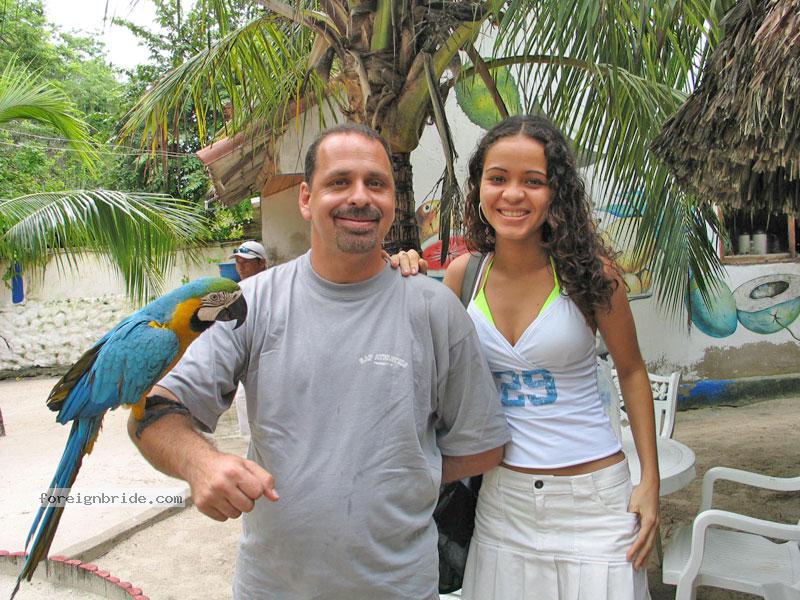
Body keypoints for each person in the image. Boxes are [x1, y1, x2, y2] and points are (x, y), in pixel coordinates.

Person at [128, 123, 511, 600]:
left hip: (400, 588)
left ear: (393, 202)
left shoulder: (435, 310)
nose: (360, 196)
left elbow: (481, 445)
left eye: (376, 183)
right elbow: (154, 412)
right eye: (339, 181)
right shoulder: (249, 303)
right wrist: (201, 464)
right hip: (273, 589)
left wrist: (401, 474)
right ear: (306, 199)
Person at [392, 115, 660, 599]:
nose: (513, 194)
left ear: (555, 193)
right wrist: (398, 275)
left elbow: (632, 371)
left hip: (595, 503)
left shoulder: (591, 276)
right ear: (479, 188)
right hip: (502, 504)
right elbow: (425, 368)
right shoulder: (462, 276)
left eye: (533, 181)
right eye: (498, 178)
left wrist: (649, 482)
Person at [228, 240, 269, 438]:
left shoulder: (274, 288)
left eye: (246, 262)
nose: (241, 267)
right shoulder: (236, 292)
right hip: (247, 362)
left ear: (261, 263)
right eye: (238, 262)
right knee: (245, 404)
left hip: (269, 360)